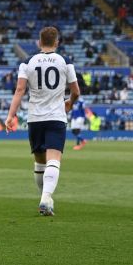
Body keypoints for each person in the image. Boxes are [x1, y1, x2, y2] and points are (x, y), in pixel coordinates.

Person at [6, 26, 79, 216]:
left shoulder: (28, 62)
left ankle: (43, 199)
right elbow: (76, 90)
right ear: (57, 42)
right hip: (56, 117)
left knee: (39, 162)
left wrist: (10, 115)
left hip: (35, 118)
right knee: (54, 159)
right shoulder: (65, 61)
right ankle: (46, 198)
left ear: (39, 42)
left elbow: (20, 90)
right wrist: (70, 102)